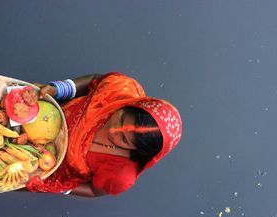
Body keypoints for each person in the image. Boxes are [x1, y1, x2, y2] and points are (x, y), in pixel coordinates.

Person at [26, 72, 182, 197]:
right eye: (120, 118)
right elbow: (94, 80)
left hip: (37, 167)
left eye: (123, 139)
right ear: (128, 105)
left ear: (136, 150)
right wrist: (57, 90)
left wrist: (52, 185)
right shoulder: (120, 89)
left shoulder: (120, 174)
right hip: (39, 113)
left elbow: (93, 190)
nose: (112, 130)